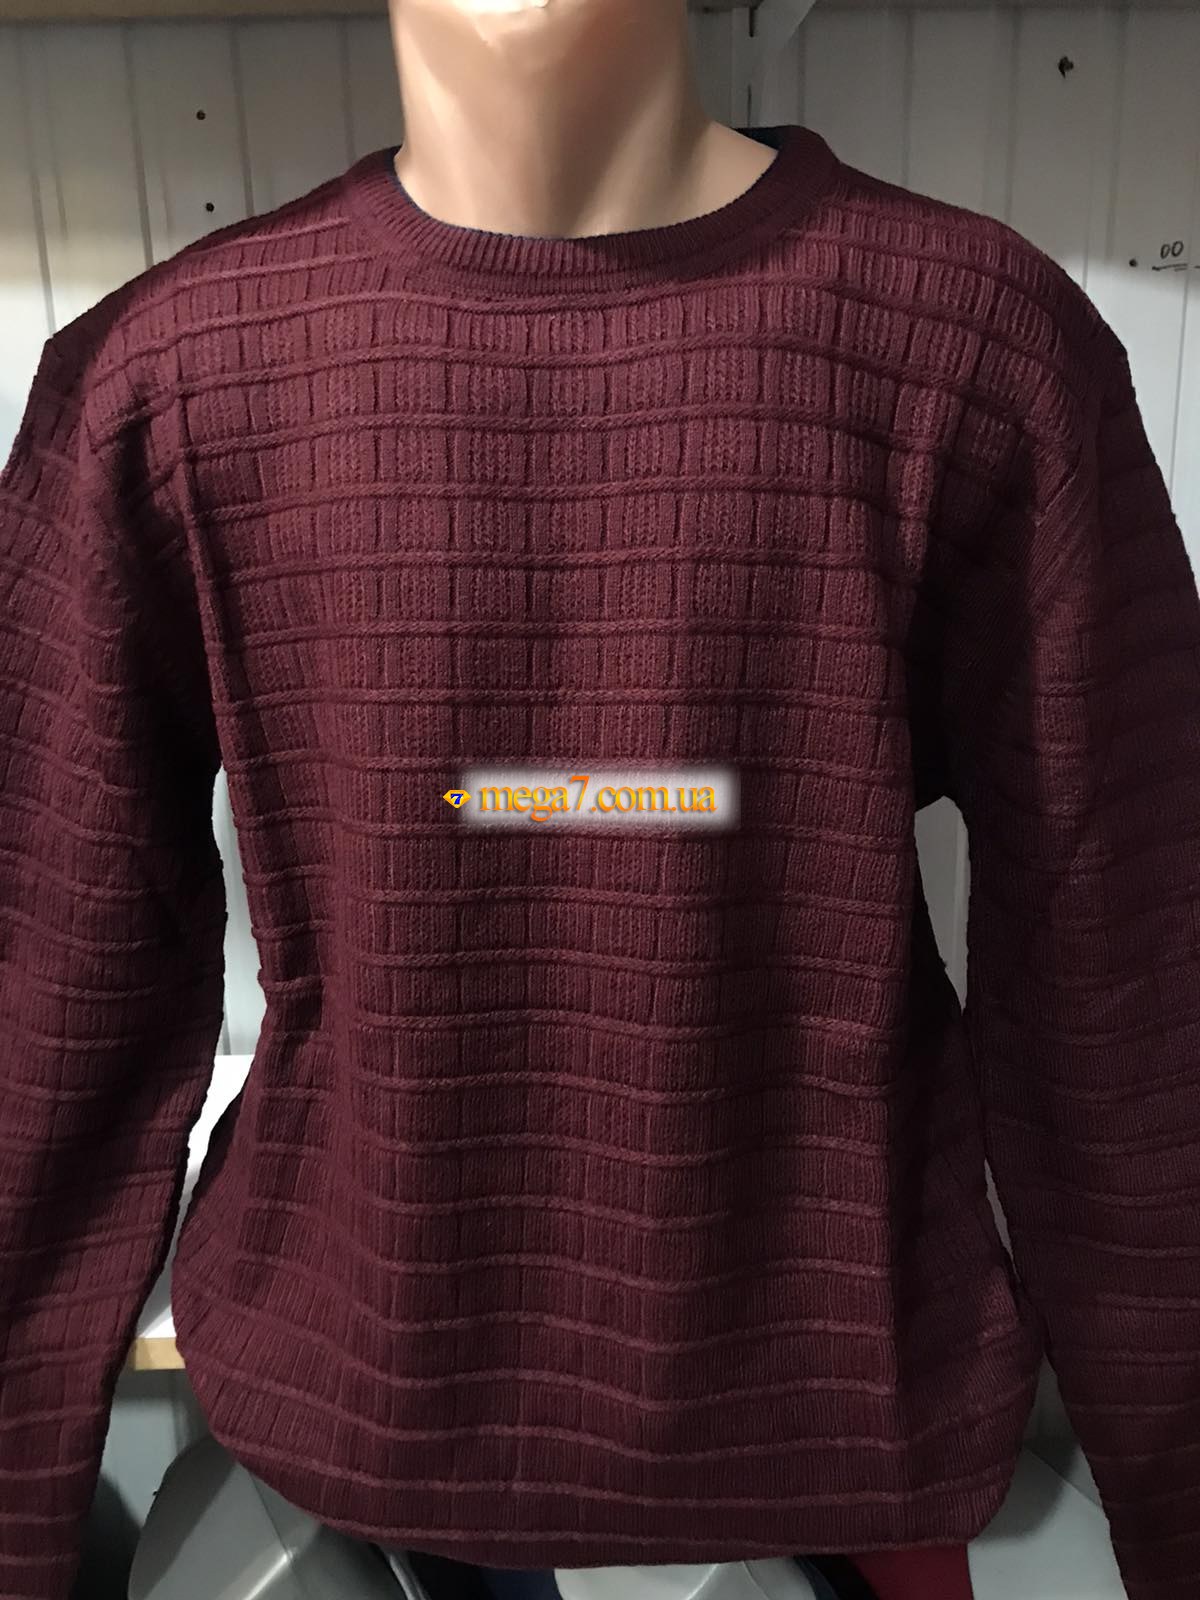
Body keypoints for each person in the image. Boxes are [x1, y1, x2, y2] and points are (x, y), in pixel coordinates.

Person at [1, 3, 1198, 1599]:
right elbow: (49, 1004)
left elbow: (1128, 1000)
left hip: (847, 1420)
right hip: (346, 1418)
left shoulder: (976, 347)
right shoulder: (161, 381)